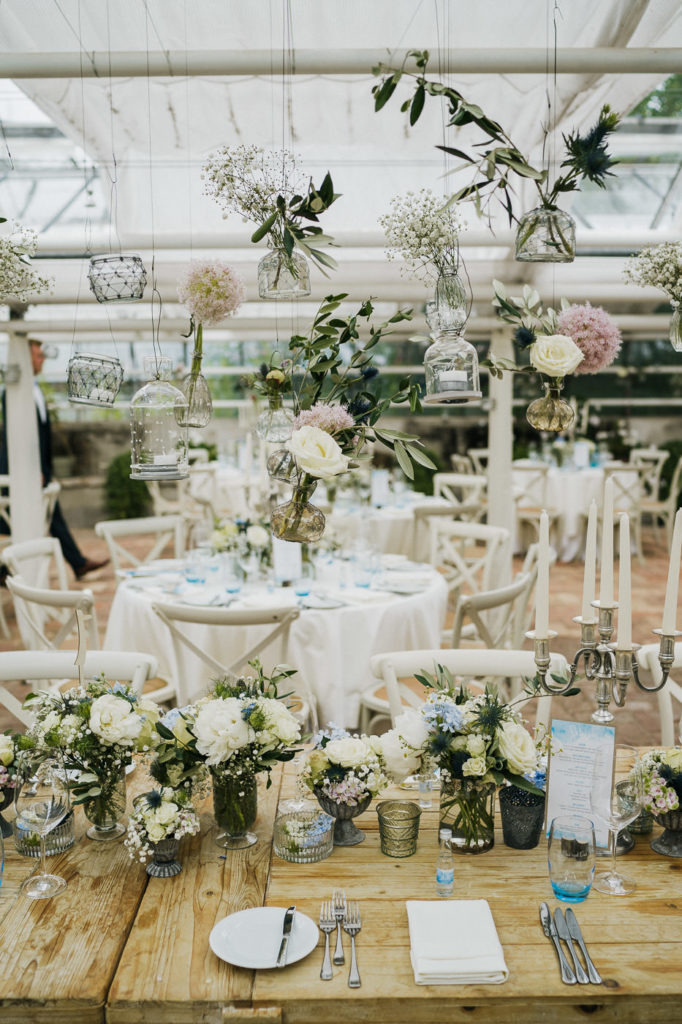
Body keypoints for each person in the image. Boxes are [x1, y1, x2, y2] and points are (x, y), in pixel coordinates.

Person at [0, 338, 109, 580]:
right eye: (37, 356)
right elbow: (18, 435)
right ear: (24, 358)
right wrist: (31, 469)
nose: (41, 360)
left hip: (40, 469)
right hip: (25, 469)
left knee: (46, 516)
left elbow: (40, 435)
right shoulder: (13, 391)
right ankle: (15, 568)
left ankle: (73, 563)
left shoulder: (35, 388)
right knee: (28, 519)